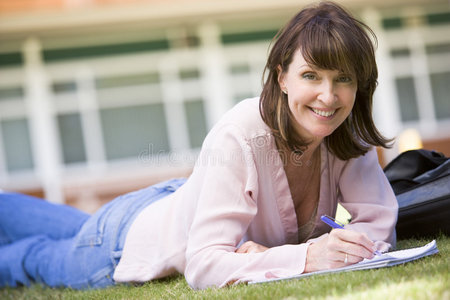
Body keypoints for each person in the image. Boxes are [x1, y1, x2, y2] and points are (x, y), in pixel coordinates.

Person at [0, 1, 398, 290]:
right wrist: (308, 256)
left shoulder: (348, 135)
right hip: (132, 239)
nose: (328, 97)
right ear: (282, 77)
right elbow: (204, 266)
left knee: (68, 228)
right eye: (311, 75)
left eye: (342, 79)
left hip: (186, 199)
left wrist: (266, 257)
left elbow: (378, 233)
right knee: (37, 256)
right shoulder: (242, 132)